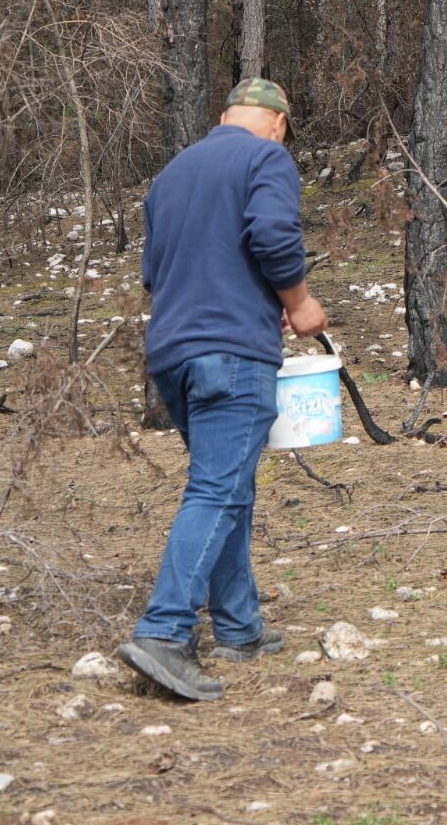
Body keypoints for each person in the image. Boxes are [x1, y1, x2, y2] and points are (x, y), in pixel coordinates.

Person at [117, 78, 328, 701]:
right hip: (233, 355)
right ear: (280, 123)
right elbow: (272, 236)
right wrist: (299, 302)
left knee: (227, 481)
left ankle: (240, 627)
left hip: (172, 355)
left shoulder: (171, 174)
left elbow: (155, 272)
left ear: (223, 116)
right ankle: (163, 632)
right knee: (217, 486)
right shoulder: (267, 158)